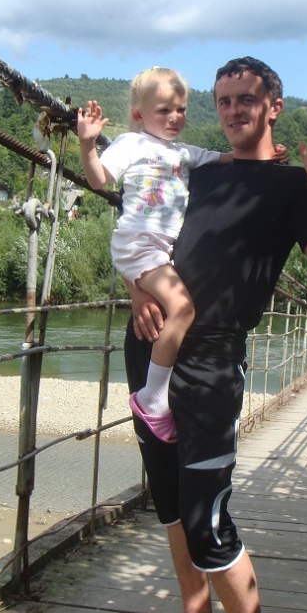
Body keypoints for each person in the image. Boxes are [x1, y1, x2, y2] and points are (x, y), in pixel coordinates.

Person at [123, 56, 307, 613]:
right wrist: (134, 289)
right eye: (224, 99)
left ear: (273, 107)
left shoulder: (293, 188)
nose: (233, 110)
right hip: (148, 348)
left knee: (208, 522)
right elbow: (140, 231)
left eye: (247, 99)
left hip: (210, 365)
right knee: (171, 505)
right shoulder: (194, 169)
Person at [77, 67, 231, 443]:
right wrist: (87, 145)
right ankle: (153, 398)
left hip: (160, 249)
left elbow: (226, 160)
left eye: (181, 109)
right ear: (139, 115)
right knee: (183, 309)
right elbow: (98, 179)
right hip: (138, 244)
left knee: (177, 310)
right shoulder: (131, 144)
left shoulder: (185, 153)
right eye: (164, 110)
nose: (175, 117)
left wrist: (265, 160)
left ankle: (155, 393)